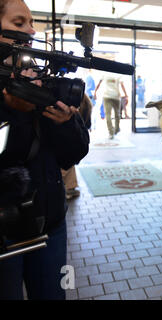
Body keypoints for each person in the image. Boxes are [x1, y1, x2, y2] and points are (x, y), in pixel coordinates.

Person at [0, 0, 89, 300]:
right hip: (4, 232)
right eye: (18, 23)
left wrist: (65, 123)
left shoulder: (39, 77)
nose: (31, 30)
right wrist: (17, 113)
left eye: (30, 22)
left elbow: (72, 155)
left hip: (49, 224)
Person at [94, 74, 128, 139]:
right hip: (116, 96)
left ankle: (111, 132)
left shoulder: (105, 73)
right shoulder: (118, 73)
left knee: (108, 115)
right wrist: (126, 95)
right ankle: (117, 129)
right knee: (117, 114)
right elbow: (122, 85)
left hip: (107, 96)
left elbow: (99, 83)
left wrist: (95, 92)